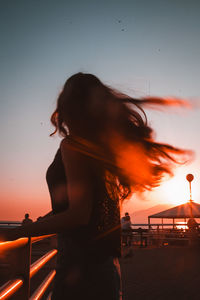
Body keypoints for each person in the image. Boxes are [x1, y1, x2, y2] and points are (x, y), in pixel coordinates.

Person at [0, 73, 192, 299]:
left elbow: (79, 215)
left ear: (69, 107)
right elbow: (87, 205)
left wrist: (17, 232)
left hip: (80, 268)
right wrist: (47, 218)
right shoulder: (102, 152)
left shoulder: (73, 145)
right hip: (104, 268)